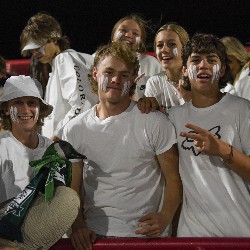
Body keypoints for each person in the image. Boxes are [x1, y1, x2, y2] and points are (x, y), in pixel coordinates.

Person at [62, 42, 182, 249]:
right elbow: (73, 188)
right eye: (109, 72)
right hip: (94, 237)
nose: (116, 80)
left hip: (147, 237)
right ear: (95, 74)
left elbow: (174, 178)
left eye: (124, 75)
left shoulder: (154, 121)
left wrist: (164, 218)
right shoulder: (74, 129)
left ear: (133, 79)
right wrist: (78, 226)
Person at [168, 33, 250, 237]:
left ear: (222, 70)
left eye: (211, 60)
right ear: (185, 70)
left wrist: (224, 151)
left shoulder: (243, 110)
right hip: (191, 236)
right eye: (195, 60)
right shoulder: (173, 117)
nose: (203, 65)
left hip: (238, 233)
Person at [0, 75, 80, 249]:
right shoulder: (1, 148)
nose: (25, 109)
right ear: (6, 109)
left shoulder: (55, 149)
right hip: (4, 228)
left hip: (40, 229)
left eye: (31, 103)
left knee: (69, 198)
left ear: (40, 109)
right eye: (18, 103)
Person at [20, 12, 99, 141]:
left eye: (38, 47)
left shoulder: (64, 59)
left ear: (54, 39)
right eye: (32, 50)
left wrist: (57, 136)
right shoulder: (57, 65)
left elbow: (83, 103)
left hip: (70, 148)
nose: (35, 53)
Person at [110, 14, 163, 101]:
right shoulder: (97, 60)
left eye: (135, 33)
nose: (128, 35)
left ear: (140, 42)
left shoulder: (151, 64)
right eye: (123, 30)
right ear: (113, 35)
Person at [144, 22, 191, 111]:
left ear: (185, 49)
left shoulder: (198, 80)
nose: (164, 50)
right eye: (160, 45)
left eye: (172, 44)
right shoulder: (154, 83)